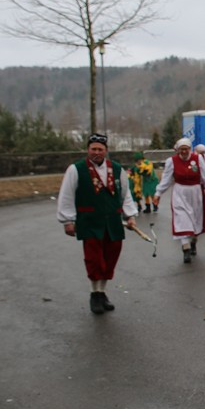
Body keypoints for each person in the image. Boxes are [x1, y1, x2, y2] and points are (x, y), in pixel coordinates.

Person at [56, 133, 139, 314]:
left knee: (110, 257)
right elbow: (67, 195)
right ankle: (94, 294)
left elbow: (125, 194)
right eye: (93, 149)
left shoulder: (117, 169)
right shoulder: (76, 169)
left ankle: (102, 293)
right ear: (88, 150)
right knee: (94, 259)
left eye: (100, 149)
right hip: (89, 221)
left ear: (106, 151)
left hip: (113, 221)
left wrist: (130, 215)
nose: (96, 153)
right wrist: (67, 220)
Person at [155, 137, 205, 263]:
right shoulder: (171, 161)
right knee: (182, 220)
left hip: (196, 193)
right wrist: (158, 193)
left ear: (190, 149)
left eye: (186, 149)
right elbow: (166, 180)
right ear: (177, 150)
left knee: (195, 221)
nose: (184, 152)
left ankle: (193, 241)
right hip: (180, 192)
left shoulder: (198, 159)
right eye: (181, 149)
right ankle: (186, 249)